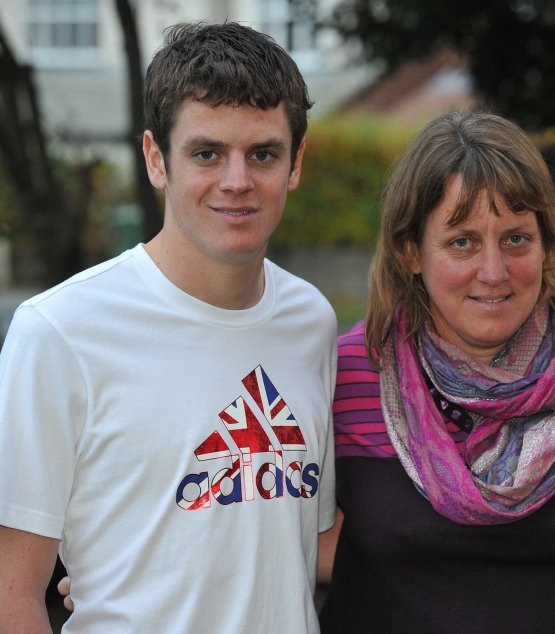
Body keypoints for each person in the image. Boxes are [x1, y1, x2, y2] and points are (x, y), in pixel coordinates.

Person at [0, 22, 337, 632]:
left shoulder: (311, 321)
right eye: (206, 153)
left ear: (295, 164)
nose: (237, 181)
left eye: (263, 153)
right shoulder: (59, 331)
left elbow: (307, 543)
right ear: (156, 158)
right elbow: (11, 596)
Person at [316, 111, 555, 632]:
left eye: (517, 239)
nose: (493, 272)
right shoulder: (348, 376)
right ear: (411, 251)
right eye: (461, 242)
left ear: (546, 242)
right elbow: (290, 545)